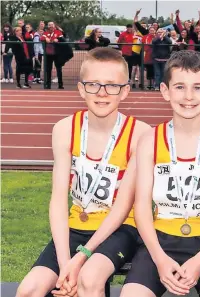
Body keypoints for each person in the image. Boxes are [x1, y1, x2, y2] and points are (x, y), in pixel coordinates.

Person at [16, 47, 150, 297]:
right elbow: (58, 200)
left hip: (120, 227)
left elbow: (122, 208)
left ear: (125, 91)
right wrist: (66, 262)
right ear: (81, 89)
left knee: (89, 280)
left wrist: (81, 259)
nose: (102, 92)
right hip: (77, 223)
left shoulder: (140, 135)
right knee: (29, 290)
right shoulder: (65, 129)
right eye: (93, 84)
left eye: (112, 85)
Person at [120, 50, 200, 297]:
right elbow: (141, 208)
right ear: (165, 91)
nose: (188, 96)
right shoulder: (150, 140)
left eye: (197, 87)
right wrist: (160, 259)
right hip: (161, 240)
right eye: (179, 87)